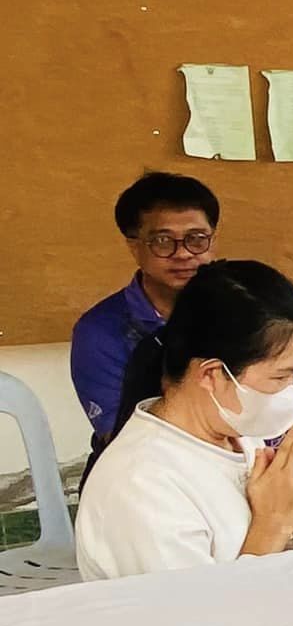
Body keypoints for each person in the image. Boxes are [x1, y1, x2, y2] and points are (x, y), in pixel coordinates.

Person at [75, 262, 293, 581]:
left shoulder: (242, 434)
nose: (290, 391)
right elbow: (199, 619)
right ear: (211, 374)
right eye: (280, 376)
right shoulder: (140, 484)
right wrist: (275, 523)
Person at [71, 172, 220, 447]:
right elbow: (124, 439)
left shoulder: (239, 310)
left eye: (197, 238)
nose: (184, 253)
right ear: (134, 246)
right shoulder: (99, 332)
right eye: (163, 241)